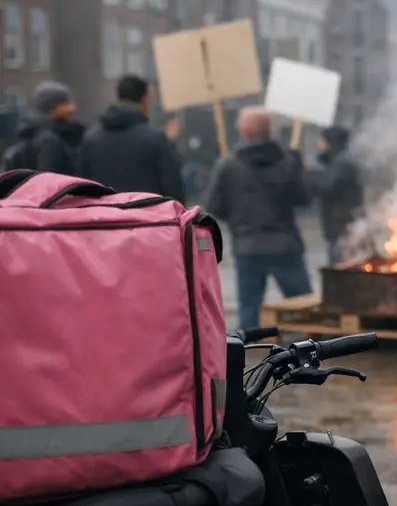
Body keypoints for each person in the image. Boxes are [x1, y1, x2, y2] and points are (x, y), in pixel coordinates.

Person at [202, 106, 313, 330]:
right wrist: (297, 169)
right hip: (285, 246)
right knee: (304, 307)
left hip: (248, 246)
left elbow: (213, 206)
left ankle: (248, 355)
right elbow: (303, 198)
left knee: (249, 308)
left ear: (243, 132)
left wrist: (236, 218)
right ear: (269, 132)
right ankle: (312, 350)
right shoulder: (285, 163)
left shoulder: (228, 166)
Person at [79, 75, 186, 202]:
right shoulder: (155, 140)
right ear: (145, 100)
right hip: (148, 218)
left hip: (102, 219)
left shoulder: (90, 140)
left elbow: (82, 189)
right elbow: (173, 191)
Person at [311, 125, 364, 265]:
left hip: (343, 226)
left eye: (322, 139)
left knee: (342, 267)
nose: (318, 143)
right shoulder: (337, 161)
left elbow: (328, 186)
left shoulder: (343, 163)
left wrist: (309, 174)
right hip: (339, 226)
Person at [0, 81, 79, 175]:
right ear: (51, 107)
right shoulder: (48, 141)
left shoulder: (34, 134)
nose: (72, 108)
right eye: (66, 104)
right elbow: (47, 182)